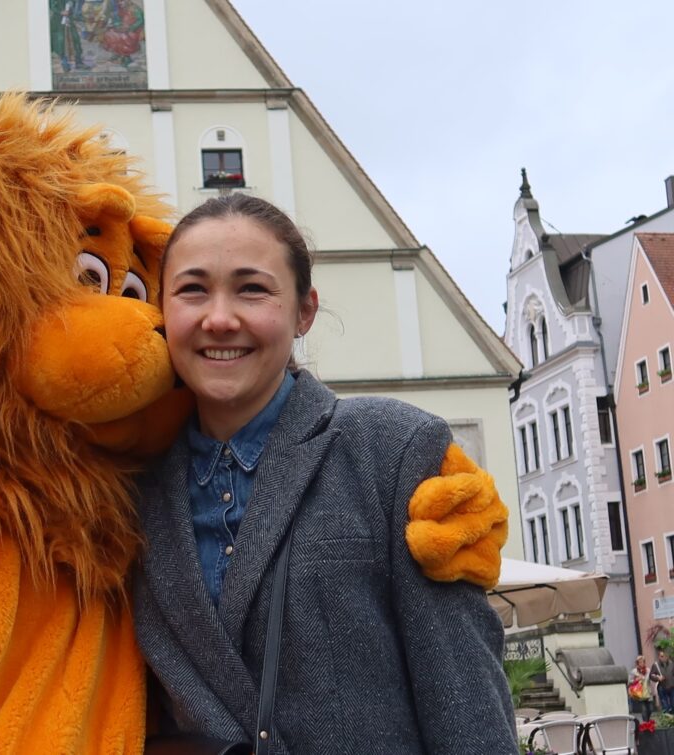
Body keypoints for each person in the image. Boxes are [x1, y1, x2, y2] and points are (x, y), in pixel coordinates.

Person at [132, 194, 517, 753]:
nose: (219, 318)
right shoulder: (130, 490)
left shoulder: (391, 449)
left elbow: (465, 704)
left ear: (304, 310)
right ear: (163, 311)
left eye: (252, 289)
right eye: (193, 289)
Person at [629, 655, 657, 720]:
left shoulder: (648, 670)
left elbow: (652, 679)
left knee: (650, 710)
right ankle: (645, 724)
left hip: (648, 693)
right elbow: (629, 681)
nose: (641, 663)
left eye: (642, 662)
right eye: (640, 662)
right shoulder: (634, 671)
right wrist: (636, 679)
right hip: (640, 695)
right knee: (644, 711)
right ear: (637, 663)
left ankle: (648, 721)